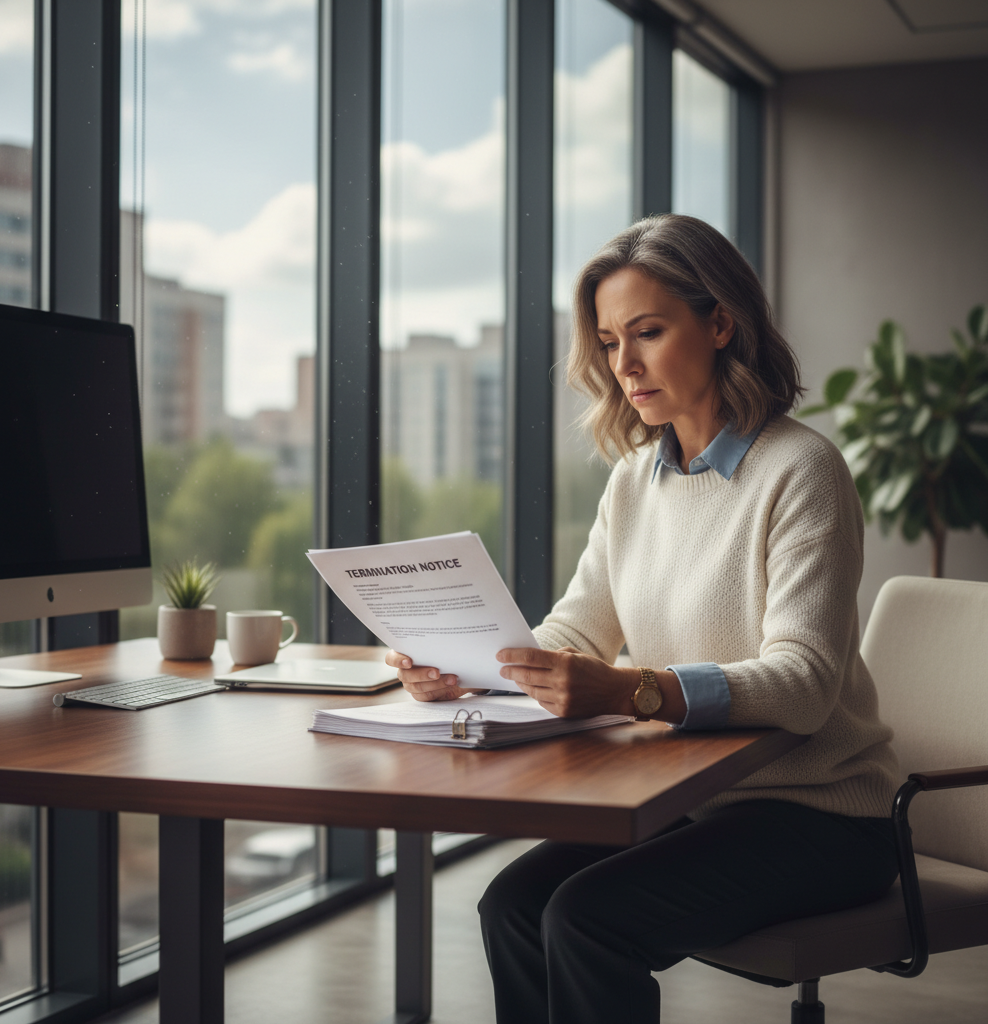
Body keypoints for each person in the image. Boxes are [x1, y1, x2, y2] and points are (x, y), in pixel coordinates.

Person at [385, 214, 899, 1024]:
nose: (623, 364)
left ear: (720, 322)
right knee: (511, 906)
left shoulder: (803, 470)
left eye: (648, 332)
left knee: (585, 920)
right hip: (696, 804)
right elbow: (573, 637)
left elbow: (801, 688)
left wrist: (634, 691)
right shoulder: (635, 480)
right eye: (608, 340)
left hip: (824, 817)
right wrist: (463, 663)